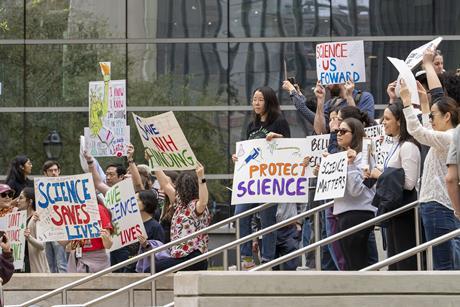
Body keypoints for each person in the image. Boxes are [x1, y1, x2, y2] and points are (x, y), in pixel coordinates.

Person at [401, 80, 460, 270]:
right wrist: (425, 104)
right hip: (440, 205)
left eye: (434, 115)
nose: (431, 119)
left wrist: (407, 104)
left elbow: (418, 132)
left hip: (438, 205)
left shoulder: (450, 137)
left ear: (447, 116)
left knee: (444, 265)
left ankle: (449, 300)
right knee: (447, 261)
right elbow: (427, 132)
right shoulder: (448, 137)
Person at [232, 86, 290, 269]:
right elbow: (249, 151)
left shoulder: (279, 121)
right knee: (240, 214)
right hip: (251, 180)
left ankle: (267, 259)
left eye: (260, 99)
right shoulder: (251, 125)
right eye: (254, 99)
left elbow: (291, 148)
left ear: (269, 102)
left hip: (269, 180)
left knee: (267, 221)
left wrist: (278, 137)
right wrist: (238, 157)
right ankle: (246, 257)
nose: (256, 103)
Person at [367, 101, 421, 270]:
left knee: (404, 258)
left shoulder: (409, 146)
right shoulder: (395, 144)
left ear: (399, 121)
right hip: (395, 208)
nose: (383, 122)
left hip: (404, 209)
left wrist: (380, 175)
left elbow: (410, 183)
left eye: (388, 119)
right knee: (395, 258)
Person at [333, 118, 377, 270]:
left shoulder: (364, 157)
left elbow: (356, 190)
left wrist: (351, 164)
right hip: (343, 214)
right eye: (337, 131)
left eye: (343, 131)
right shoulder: (341, 158)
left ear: (355, 134)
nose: (339, 134)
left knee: (357, 263)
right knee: (351, 263)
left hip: (358, 214)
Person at [154, 162, 210, 272]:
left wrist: (201, 178)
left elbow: (203, 202)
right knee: (152, 267)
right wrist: (154, 162)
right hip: (180, 256)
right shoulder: (179, 203)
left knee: (152, 268)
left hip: (193, 256)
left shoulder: (195, 205)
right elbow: (165, 184)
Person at [41, 161, 67, 273]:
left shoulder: (65, 187)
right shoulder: (40, 189)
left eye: (56, 170)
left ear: (59, 171)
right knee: (49, 263)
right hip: (46, 228)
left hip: (60, 228)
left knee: (61, 262)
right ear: (45, 173)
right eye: (51, 171)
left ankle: (64, 288)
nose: (54, 173)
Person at [17, 187, 50, 273]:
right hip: (21, 266)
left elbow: (42, 245)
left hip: (34, 266)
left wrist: (29, 238)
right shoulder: (19, 219)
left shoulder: (37, 218)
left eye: (21, 198)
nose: (18, 201)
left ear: (30, 202)